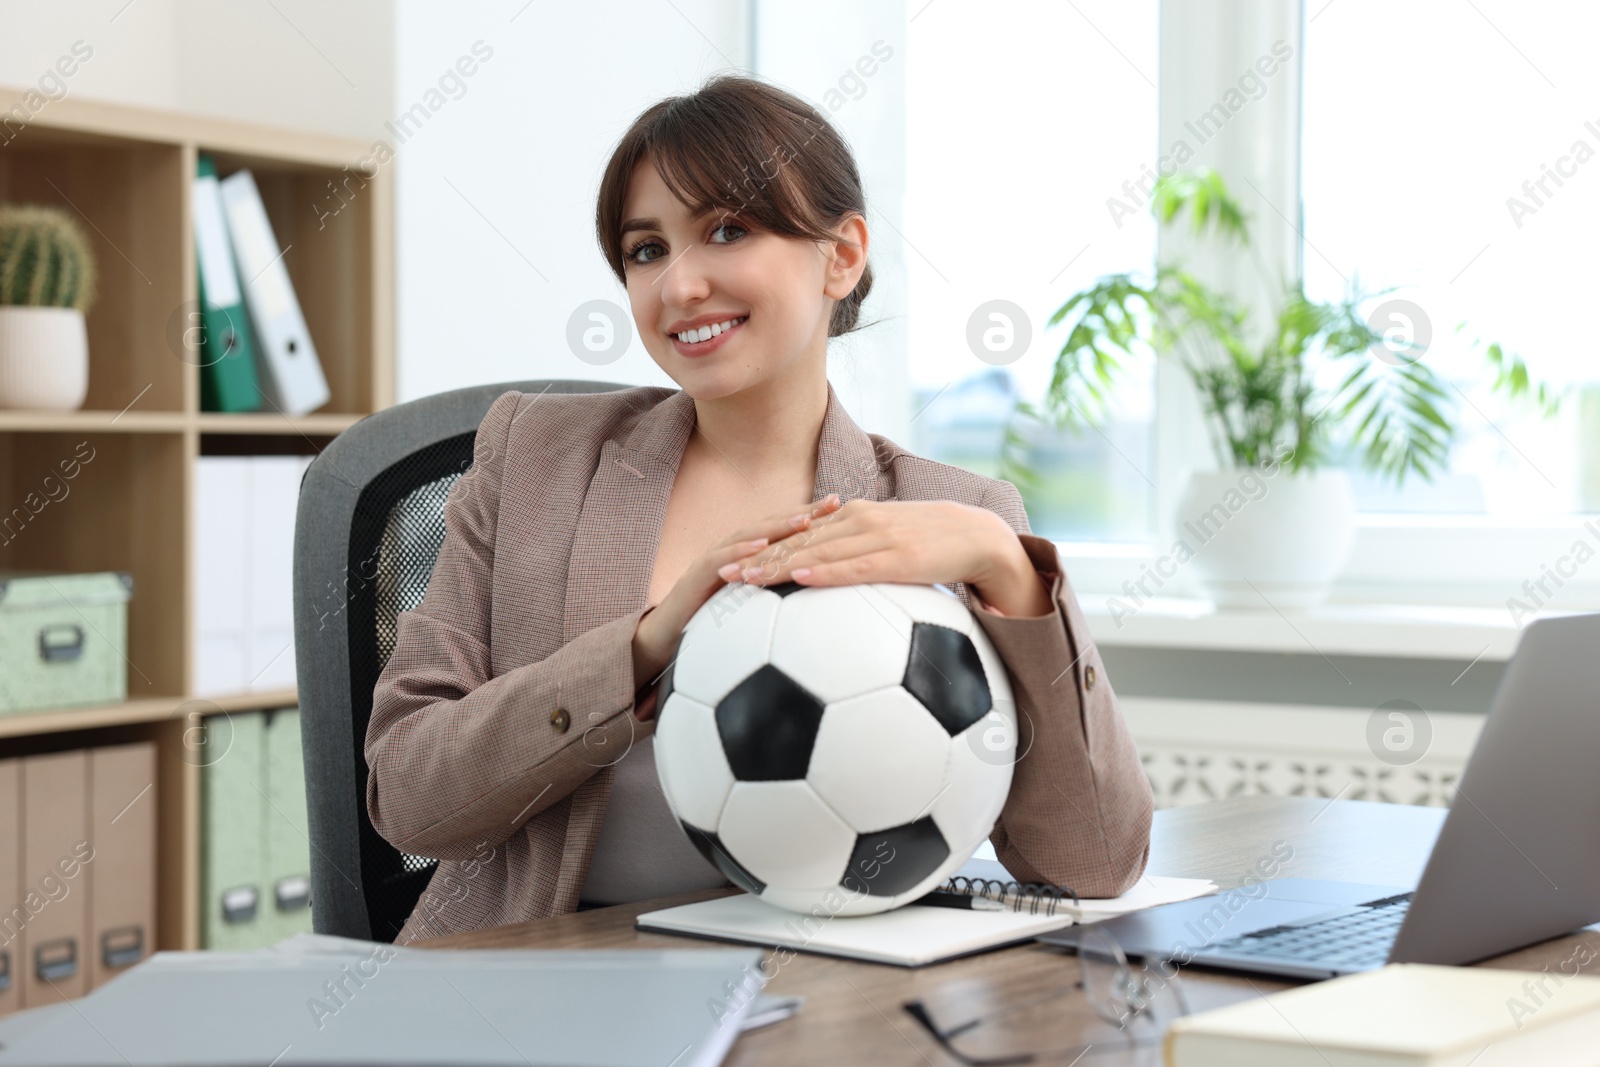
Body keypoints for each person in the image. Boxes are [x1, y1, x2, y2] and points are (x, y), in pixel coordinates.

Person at [365, 73, 1152, 945]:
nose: (681, 285)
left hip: (831, 988)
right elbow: (407, 797)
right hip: (543, 977)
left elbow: (1095, 862)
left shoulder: (954, 514)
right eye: (646, 250)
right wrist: (639, 650)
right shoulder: (532, 460)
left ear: (842, 255)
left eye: (727, 231)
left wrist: (1005, 561)